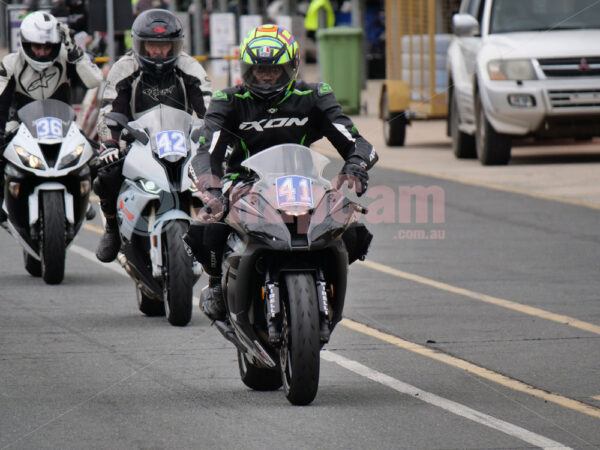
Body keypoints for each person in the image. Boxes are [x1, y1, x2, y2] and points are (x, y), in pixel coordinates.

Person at [187, 24, 378, 321]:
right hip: (244, 182)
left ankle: (326, 275)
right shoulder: (228, 100)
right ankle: (215, 281)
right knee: (206, 226)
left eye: (274, 70)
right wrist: (210, 187)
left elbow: (358, 142)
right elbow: (205, 150)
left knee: (354, 228)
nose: (266, 77)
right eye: (259, 70)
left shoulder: (315, 94)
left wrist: (355, 166)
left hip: (306, 181)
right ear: (246, 68)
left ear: (292, 67)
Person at [94, 8, 212, 263]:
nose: (159, 52)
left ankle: (215, 238)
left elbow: (209, 108)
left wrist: (215, 138)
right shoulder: (124, 67)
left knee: (217, 176)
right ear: (140, 44)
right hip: (137, 142)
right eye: (152, 45)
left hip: (182, 142)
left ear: (176, 45)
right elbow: (110, 109)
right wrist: (109, 144)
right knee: (106, 172)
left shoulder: (190, 67)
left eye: (165, 45)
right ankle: (112, 227)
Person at [0, 11, 103, 223]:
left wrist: (75, 50)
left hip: (63, 125)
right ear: (26, 43)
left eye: (47, 47)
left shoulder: (66, 57)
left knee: (96, 159)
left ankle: (83, 197)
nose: (42, 53)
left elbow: (94, 81)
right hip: (19, 126)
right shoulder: (10, 63)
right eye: (37, 47)